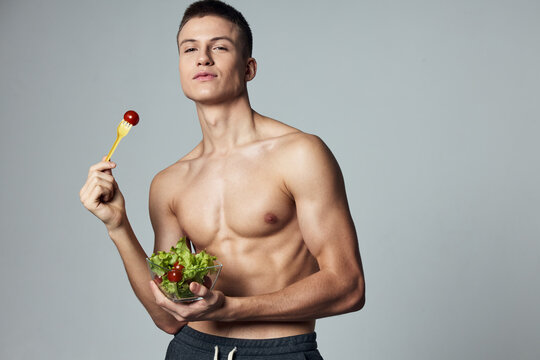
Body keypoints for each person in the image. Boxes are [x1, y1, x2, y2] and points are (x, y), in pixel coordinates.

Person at [79, 1, 365, 359]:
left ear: (249, 68)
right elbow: (167, 316)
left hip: (277, 352)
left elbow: (348, 286)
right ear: (180, 66)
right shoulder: (169, 183)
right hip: (191, 349)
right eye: (190, 49)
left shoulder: (300, 154)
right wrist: (118, 226)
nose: (203, 58)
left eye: (219, 47)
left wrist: (231, 309)